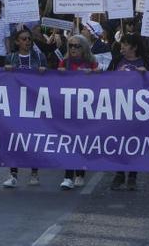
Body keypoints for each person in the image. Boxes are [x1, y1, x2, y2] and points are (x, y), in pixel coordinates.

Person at [107, 34, 149, 191]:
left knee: (134, 142)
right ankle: (119, 173)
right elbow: (105, 80)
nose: (122, 47)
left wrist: (147, 74)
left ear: (134, 47)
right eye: (121, 44)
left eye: (126, 44)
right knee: (118, 141)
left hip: (139, 110)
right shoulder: (116, 61)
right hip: (119, 108)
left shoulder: (147, 62)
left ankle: (132, 175)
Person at [0, 28, 45, 188]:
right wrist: (6, 71)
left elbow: (49, 81)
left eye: (29, 39)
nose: (27, 42)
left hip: (33, 104)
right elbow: (3, 81)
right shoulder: (10, 58)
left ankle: (34, 173)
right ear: (17, 42)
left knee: (33, 138)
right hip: (16, 103)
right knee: (15, 138)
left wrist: (43, 72)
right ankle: (13, 174)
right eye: (24, 39)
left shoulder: (39, 57)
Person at [57, 34, 100, 190]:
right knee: (69, 142)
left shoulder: (92, 63)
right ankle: (68, 176)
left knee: (82, 142)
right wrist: (59, 74)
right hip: (69, 108)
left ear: (85, 48)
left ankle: (80, 172)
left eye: (77, 46)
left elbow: (102, 84)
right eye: (71, 46)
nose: (73, 49)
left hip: (86, 109)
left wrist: (95, 75)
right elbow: (54, 83)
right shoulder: (64, 62)